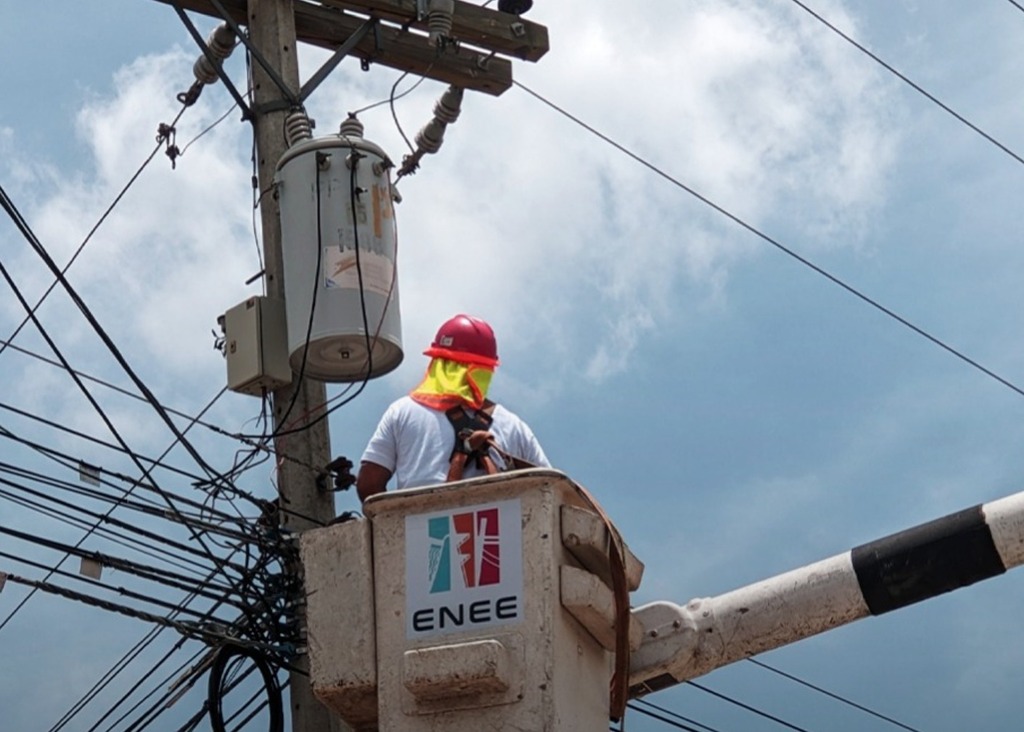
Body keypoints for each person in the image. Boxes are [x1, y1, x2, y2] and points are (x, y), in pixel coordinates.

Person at [356, 314, 550, 503]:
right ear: (486, 370)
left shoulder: (402, 412)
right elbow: (549, 491)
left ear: (437, 362)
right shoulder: (513, 426)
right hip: (497, 524)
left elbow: (368, 485)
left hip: (422, 522)